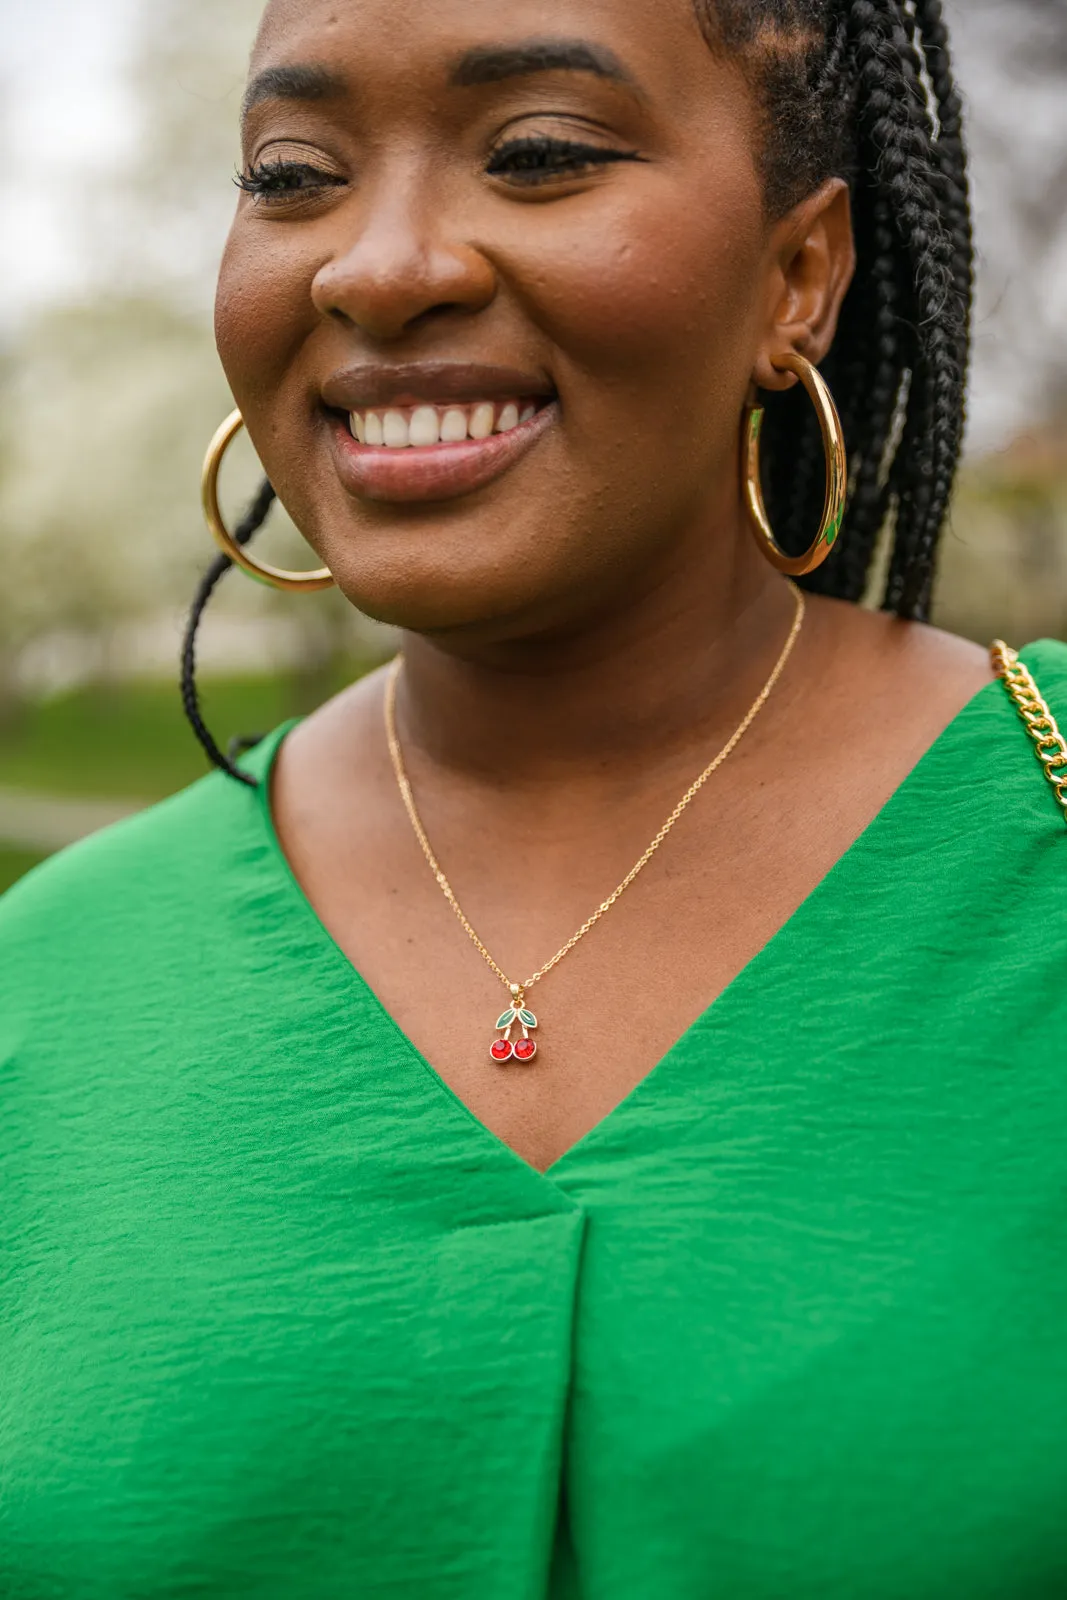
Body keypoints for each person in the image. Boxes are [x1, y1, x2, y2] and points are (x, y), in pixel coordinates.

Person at [3, 0, 1066, 1594]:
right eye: (293, 175)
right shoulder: (53, 980)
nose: (377, 264)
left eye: (541, 153)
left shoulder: (1033, 830)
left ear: (798, 274)